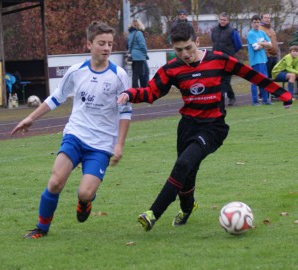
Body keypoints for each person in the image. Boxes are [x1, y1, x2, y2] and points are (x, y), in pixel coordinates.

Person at [117, 23, 292, 232]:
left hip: (213, 128)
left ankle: (153, 212)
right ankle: (188, 207)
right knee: (187, 175)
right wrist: (129, 94)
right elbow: (151, 92)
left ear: (198, 42)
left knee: (183, 164)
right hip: (187, 127)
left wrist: (282, 94)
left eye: (189, 48)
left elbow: (250, 74)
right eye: (179, 50)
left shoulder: (218, 59)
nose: (185, 54)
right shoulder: (172, 69)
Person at [11, 21, 132, 239]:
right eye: (101, 43)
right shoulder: (76, 72)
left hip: (102, 144)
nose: (106, 48)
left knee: (85, 192)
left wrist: (119, 144)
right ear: (89, 44)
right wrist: (30, 118)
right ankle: (41, 228)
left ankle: (85, 202)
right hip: (75, 135)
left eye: (110, 44)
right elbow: (56, 98)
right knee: (56, 181)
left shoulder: (119, 75)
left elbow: (125, 112)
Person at [211, 12, 242, 106]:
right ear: (219, 20)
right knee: (219, 79)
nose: (222, 21)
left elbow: (238, 45)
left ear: (228, 21)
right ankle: (229, 96)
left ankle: (226, 98)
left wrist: (230, 53)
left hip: (228, 59)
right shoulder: (214, 30)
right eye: (221, 19)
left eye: (224, 20)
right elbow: (213, 41)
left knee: (225, 80)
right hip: (216, 59)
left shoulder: (233, 31)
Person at [247, 15, 273, 105]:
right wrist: (264, 44)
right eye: (254, 22)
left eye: (258, 22)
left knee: (264, 80)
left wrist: (261, 43)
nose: (256, 24)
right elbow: (256, 47)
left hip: (263, 60)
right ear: (251, 23)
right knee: (255, 81)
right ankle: (255, 101)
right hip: (255, 61)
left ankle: (265, 100)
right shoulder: (251, 34)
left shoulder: (262, 32)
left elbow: (270, 45)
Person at [127, 19, 149, 88]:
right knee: (143, 73)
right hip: (139, 56)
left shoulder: (129, 34)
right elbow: (142, 45)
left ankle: (135, 88)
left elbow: (128, 46)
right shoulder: (139, 33)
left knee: (135, 73)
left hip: (132, 56)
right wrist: (145, 53)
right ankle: (139, 89)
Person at [259, 13, 279, 79]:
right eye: (265, 18)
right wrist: (267, 54)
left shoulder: (271, 29)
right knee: (266, 78)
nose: (267, 19)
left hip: (274, 56)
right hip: (267, 57)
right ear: (261, 19)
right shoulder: (260, 29)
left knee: (273, 78)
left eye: (269, 18)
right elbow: (261, 42)